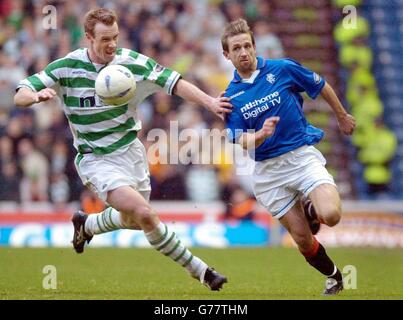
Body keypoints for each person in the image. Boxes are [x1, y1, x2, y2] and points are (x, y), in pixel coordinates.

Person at [14, 8, 230, 291]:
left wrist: (210, 102)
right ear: (88, 38)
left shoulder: (131, 63)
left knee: (133, 220)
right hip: (96, 160)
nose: (112, 44)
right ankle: (202, 271)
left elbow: (174, 82)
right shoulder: (66, 67)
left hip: (131, 153)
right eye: (104, 39)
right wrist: (34, 97)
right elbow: (21, 93)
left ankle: (87, 225)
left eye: (115, 37)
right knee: (145, 214)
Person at [222, 19, 356, 295]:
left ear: (255, 46)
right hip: (268, 173)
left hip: (301, 158)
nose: (244, 51)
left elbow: (320, 85)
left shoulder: (282, 69)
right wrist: (260, 135)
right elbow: (239, 139)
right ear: (227, 55)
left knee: (330, 215)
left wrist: (341, 115)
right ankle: (334, 276)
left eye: (247, 45)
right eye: (236, 48)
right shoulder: (230, 97)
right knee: (304, 241)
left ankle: (310, 208)